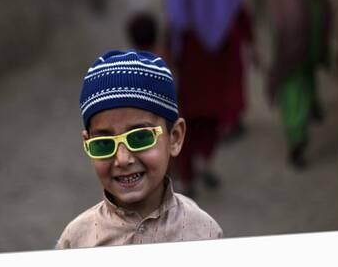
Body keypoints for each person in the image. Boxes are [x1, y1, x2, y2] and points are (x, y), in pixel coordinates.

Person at [55, 50, 222, 249]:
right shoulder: (76, 241)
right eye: (104, 143)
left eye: (140, 137)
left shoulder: (203, 233)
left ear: (175, 138)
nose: (123, 159)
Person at [164, 0, 257, 196]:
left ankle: (188, 176)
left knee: (189, 112)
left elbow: (176, 17)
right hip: (221, 53)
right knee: (213, 110)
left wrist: (171, 50)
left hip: (192, 53)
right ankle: (207, 163)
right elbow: (236, 7)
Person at [266, 0, 333, 169]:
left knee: (291, 82)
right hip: (313, 28)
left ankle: (296, 137)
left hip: (285, 29)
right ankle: (311, 108)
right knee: (305, 73)